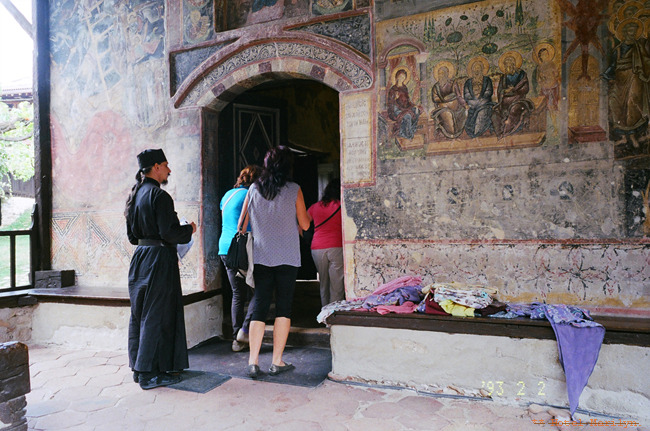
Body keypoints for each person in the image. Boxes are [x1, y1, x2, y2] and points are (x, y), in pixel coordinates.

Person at [125, 149, 197, 390]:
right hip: (159, 260)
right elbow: (169, 233)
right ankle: (149, 375)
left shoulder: (134, 195)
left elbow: (132, 237)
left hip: (141, 258)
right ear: (155, 167)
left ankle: (140, 369)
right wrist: (189, 229)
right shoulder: (160, 196)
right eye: (166, 165)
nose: (169, 170)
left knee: (141, 314)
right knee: (156, 315)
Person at [238, 146, 311, 378]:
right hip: (287, 257)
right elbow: (305, 224)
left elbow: (241, 226)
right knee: (284, 307)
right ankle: (277, 361)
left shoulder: (253, 189)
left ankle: (253, 362)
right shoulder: (294, 189)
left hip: (261, 256)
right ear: (288, 166)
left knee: (259, 306)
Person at [218, 165, 261, 352]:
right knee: (259, 290)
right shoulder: (251, 194)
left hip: (225, 248)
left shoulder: (227, 195)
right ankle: (245, 330)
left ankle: (237, 339)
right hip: (243, 248)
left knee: (237, 293)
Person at [307, 178, 344, 307]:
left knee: (323, 283)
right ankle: (334, 314)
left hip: (317, 248)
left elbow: (301, 225)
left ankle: (324, 313)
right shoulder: (342, 205)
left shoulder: (315, 207)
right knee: (337, 284)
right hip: (336, 246)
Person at [492, 51, 534, 138]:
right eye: (506, 65)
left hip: (519, 100)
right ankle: (500, 133)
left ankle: (508, 132)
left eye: (509, 64)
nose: (507, 67)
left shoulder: (521, 74)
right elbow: (500, 90)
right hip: (504, 103)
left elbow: (525, 88)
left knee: (514, 110)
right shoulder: (504, 77)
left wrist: (514, 90)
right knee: (494, 113)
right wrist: (505, 91)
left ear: (513, 64)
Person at [463, 56, 495, 138]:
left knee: (481, 115)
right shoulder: (468, 82)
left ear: (482, 70)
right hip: (473, 104)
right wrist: (474, 100)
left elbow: (489, 92)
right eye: (475, 68)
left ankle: (477, 132)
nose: (476, 70)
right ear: (472, 70)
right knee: (469, 122)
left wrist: (480, 99)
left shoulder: (487, 80)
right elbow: (466, 94)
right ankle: (472, 132)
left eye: (478, 68)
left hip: (484, 104)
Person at [387, 68, 422, 139]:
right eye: (400, 76)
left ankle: (412, 130)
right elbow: (390, 103)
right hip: (396, 110)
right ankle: (407, 135)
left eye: (403, 77)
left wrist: (414, 106)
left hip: (405, 108)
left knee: (417, 111)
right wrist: (395, 98)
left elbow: (407, 100)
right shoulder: (393, 89)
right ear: (397, 77)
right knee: (407, 116)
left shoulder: (404, 88)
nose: (401, 78)